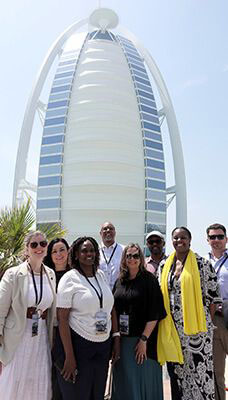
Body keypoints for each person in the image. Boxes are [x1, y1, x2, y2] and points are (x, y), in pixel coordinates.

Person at [157, 227, 221, 400]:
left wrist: (204, 324)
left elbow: (213, 298)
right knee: (177, 375)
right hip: (172, 330)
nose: (179, 241)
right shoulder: (164, 266)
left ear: (190, 240)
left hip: (197, 333)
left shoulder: (202, 264)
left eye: (183, 238)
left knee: (201, 375)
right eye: (176, 238)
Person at [56, 236, 120, 400]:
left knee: (97, 394)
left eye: (92, 250)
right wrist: (69, 356)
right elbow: (62, 319)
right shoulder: (69, 278)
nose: (89, 254)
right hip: (79, 346)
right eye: (84, 251)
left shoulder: (101, 275)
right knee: (80, 394)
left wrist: (115, 338)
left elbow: (110, 307)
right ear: (76, 254)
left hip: (103, 345)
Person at [0, 230, 56, 400]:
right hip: (18, 337)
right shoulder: (14, 274)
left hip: (41, 338)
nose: (39, 248)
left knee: (37, 383)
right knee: (15, 381)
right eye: (34, 244)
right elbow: (0, 310)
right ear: (27, 249)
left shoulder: (51, 274)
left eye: (43, 244)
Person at [112, 243, 166, 400]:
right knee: (125, 384)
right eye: (128, 255)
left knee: (144, 383)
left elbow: (155, 313)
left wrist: (143, 340)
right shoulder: (119, 281)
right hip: (123, 341)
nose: (132, 259)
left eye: (135, 256)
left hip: (143, 342)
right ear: (124, 258)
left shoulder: (149, 280)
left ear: (141, 258)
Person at [44, 238, 70, 400]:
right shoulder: (45, 275)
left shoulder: (76, 274)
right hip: (49, 331)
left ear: (68, 252)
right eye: (54, 251)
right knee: (50, 376)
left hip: (71, 331)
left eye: (62, 250)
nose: (58, 254)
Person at [205, 223, 228, 400]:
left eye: (220, 236)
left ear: (226, 239)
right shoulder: (202, 263)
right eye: (212, 237)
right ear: (207, 240)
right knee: (216, 370)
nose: (216, 240)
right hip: (215, 319)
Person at [99, 222, 124, 290]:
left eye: (111, 229)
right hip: (99, 293)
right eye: (105, 229)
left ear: (115, 233)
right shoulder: (95, 251)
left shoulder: (124, 250)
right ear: (100, 233)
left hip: (119, 292)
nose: (108, 230)